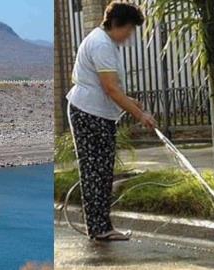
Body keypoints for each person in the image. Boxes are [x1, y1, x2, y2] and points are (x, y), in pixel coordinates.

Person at [66, 1, 156, 241]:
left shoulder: (106, 42)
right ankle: (100, 229)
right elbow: (110, 89)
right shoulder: (101, 44)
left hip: (95, 112)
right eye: (129, 29)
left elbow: (112, 88)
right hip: (89, 113)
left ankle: (100, 227)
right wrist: (141, 115)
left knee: (101, 171)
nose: (130, 35)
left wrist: (131, 102)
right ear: (116, 24)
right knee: (96, 171)